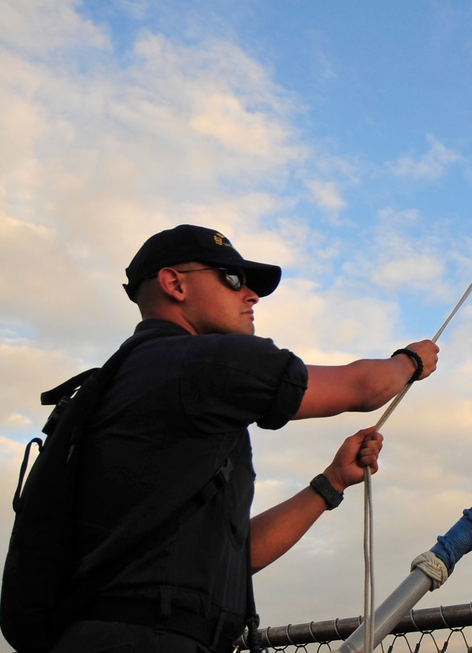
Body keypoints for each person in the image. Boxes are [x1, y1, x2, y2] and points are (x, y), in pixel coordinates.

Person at [49, 224, 439, 653]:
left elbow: (237, 557)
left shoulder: (127, 383)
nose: (251, 295)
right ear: (174, 284)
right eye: (232, 279)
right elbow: (363, 388)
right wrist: (411, 361)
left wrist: (332, 481)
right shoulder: (199, 362)